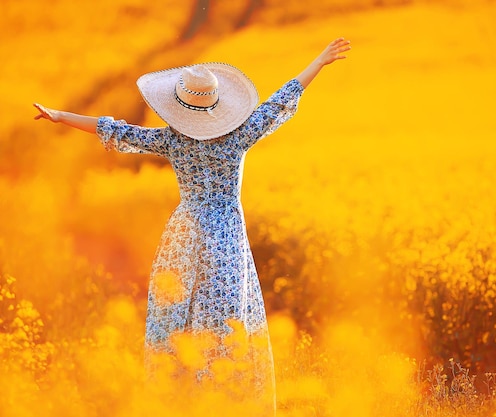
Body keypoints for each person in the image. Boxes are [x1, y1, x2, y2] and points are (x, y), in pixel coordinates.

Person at [34, 38, 350, 414]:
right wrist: (319, 60)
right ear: (218, 106)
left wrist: (60, 115)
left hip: (183, 236)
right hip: (225, 239)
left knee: (177, 320)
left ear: (179, 106)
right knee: (226, 320)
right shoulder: (239, 135)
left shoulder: (173, 140)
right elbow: (282, 99)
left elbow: (115, 131)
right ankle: (227, 401)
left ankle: (181, 400)